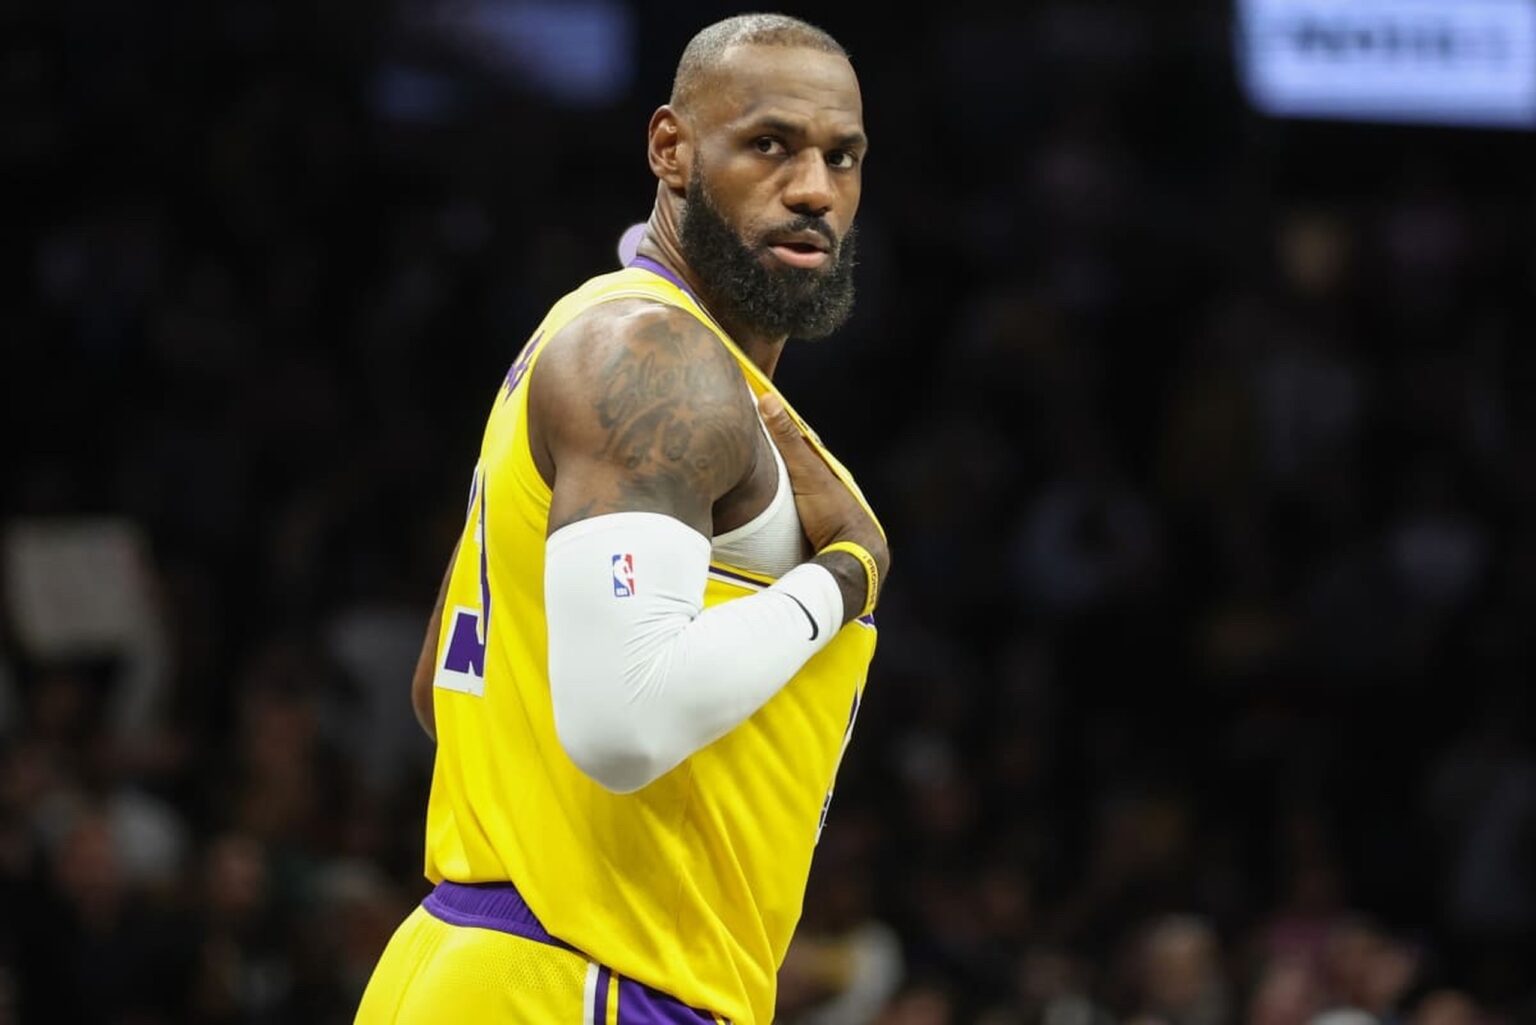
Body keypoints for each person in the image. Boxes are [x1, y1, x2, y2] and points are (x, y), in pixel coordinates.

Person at [354, 13, 890, 1024]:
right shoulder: (654, 362)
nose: (815, 188)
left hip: (490, 962)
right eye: (770, 144)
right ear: (670, 149)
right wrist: (848, 573)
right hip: (581, 976)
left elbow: (441, 687)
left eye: (842, 157)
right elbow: (624, 725)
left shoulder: (606, 338)